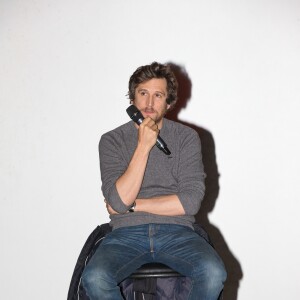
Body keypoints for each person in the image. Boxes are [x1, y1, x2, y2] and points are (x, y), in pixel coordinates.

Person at [82, 62, 227, 299]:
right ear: (132, 100)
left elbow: (189, 203)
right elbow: (118, 201)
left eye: (157, 95)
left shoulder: (186, 138)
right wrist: (143, 146)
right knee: (94, 278)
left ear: (168, 103)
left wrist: (132, 206)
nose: (149, 103)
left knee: (212, 273)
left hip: (178, 232)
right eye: (143, 94)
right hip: (125, 234)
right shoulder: (111, 140)